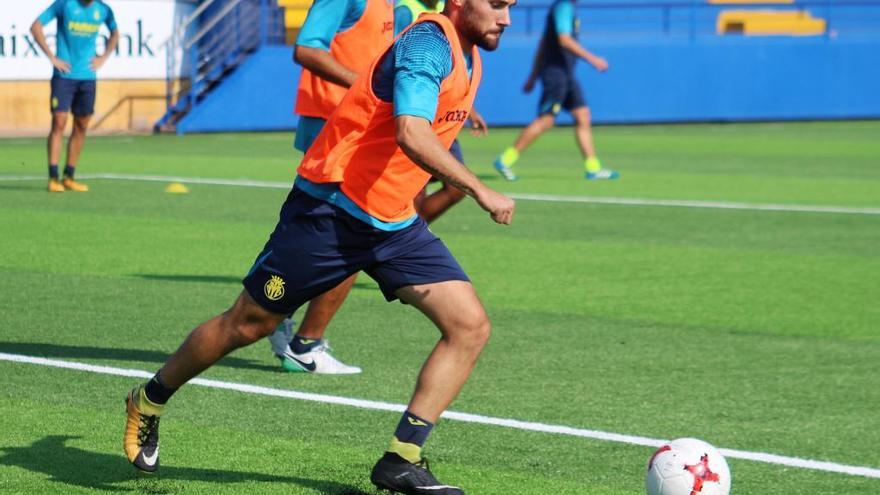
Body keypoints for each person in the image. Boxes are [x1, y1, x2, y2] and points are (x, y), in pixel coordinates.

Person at [123, 1, 516, 493]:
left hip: (392, 221)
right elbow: (411, 131)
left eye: (512, 7)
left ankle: (402, 459)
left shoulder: (469, 53)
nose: (506, 18)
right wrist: (479, 188)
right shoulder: (427, 43)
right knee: (247, 324)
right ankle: (150, 398)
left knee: (469, 327)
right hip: (330, 210)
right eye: (497, 4)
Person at [265, 0, 395, 375]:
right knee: (356, 235)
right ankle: (305, 344)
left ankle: (276, 313)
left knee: (321, 237)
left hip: (353, 124)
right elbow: (307, 48)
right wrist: (366, 87)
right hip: (335, 124)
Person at [492, 0, 618, 181]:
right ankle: (505, 160)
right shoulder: (563, 7)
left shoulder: (567, 8)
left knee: (582, 115)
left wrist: (533, 76)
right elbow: (564, 40)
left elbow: (543, 44)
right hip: (556, 74)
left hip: (566, 73)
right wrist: (593, 59)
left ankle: (593, 168)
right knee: (547, 119)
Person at [395, 0, 488, 223]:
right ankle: (408, 243)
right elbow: (395, 59)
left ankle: (413, 239)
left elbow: (449, 70)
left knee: (456, 188)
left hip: (442, 117)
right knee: (414, 191)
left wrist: (470, 111)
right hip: (417, 114)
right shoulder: (406, 10)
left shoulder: (446, 12)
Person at [30, 0, 119, 193]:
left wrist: (102, 58)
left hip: (87, 77)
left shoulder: (103, 10)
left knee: (82, 124)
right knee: (59, 122)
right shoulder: (65, 4)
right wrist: (52, 58)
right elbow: (36, 26)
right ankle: (53, 177)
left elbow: (115, 33)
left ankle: (69, 176)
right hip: (64, 76)